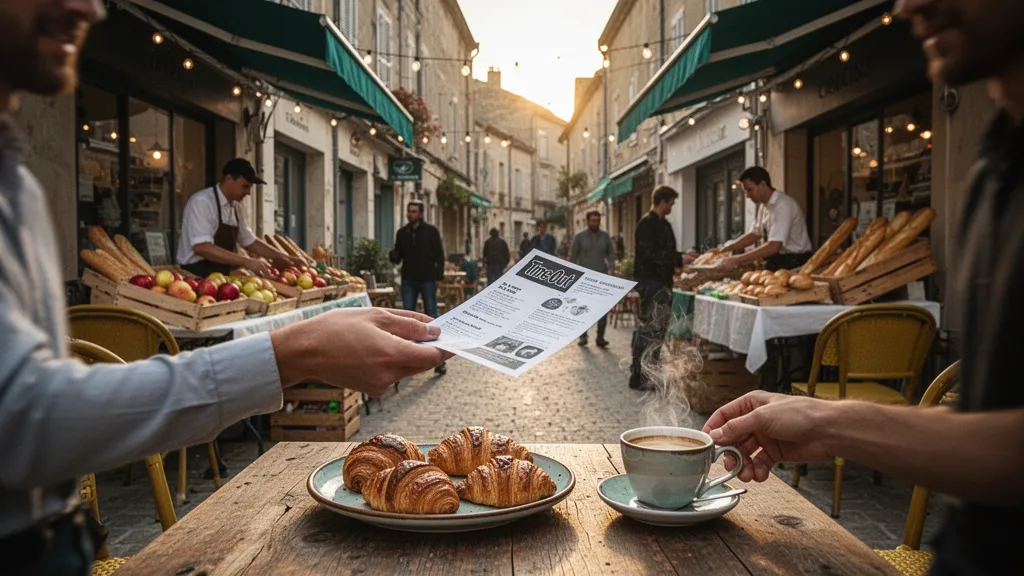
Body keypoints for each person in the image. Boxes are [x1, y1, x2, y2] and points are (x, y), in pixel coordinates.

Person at [0, 2, 449, 571]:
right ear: (231, 179)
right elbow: (23, 417)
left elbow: (251, 244)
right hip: (191, 284)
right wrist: (295, 350)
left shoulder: (17, 182)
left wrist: (264, 263)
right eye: (244, 185)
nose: (89, 6)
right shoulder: (199, 203)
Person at [704, 1, 1024, 573]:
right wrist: (827, 420)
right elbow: (991, 421)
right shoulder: (994, 167)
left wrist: (830, 420)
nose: (907, 5)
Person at [177, 158, 303, 278]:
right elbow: (202, 247)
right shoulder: (203, 202)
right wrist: (247, 261)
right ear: (229, 179)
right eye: (245, 186)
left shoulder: (236, 207)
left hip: (221, 277)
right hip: (194, 277)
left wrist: (284, 257)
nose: (248, 192)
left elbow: (249, 241)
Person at [629, 186, 682, 391]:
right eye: (671, 202)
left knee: (658, 330)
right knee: (650, 329)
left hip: (662, 282)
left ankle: (649, 374)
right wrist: (679, 258)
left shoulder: (664, 225)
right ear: (662, 201)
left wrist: (683, 256)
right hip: (650, 282)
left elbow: (667, 251)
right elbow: (651, 254)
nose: (672, 206)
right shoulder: (647, 224)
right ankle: (639, 376)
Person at [715, 167, 812, 272]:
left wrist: (736, 260)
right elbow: (754, 234)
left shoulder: (783, 205)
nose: (747, 196)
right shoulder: (764, 206)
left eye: (749, 190)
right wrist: (726, 249)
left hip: (794, 262)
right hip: (778, 261)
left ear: (762, 184)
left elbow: (774, 246)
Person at [389, 201, 448, 376]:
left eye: (413, 211)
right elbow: (398, 256)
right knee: (407, 320)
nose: (410, 214)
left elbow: (439, 255)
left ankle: (439, 360)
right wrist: (392, 255)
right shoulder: (403, 233)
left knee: (432, 318)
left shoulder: (431, 232)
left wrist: (439, 276)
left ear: (421, 214)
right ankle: (408, 360)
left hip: (428, 279)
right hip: (409, 280)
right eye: (409, 211)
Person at [570, 211, 614, 348]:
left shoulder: (605, 236)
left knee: (602, 309)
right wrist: (572, 275)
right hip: (584, 279)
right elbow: (572, 256)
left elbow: (611, 253)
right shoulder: (579, 237)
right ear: (587, 222)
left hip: (601, 276)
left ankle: (600, 337)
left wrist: (611, 268)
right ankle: (583, 336)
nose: (595, 223)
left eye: (597, 220)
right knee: (583, 308)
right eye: (593, 221)